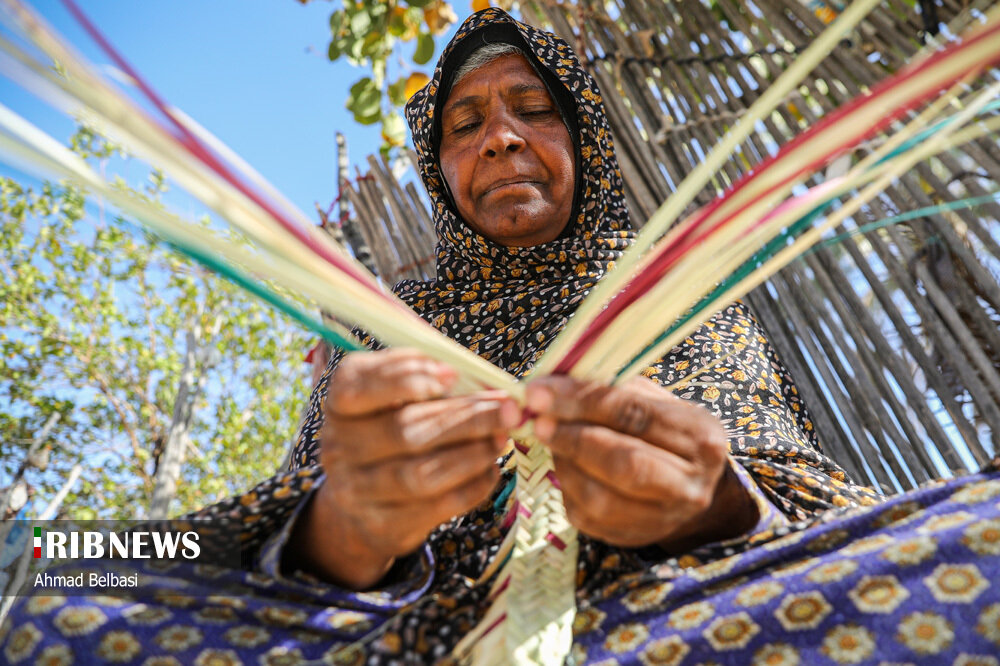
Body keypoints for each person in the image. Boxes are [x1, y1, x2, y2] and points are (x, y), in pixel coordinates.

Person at [4, 8, 1000, 665]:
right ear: (440, 170)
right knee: (71, 567)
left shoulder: (672, 292)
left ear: (584, 142)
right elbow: (291, 510)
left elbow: (792, 496)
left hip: (675, 613)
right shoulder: (384, 322)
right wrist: (348, 529)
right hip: (396, 629)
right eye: (466, 124)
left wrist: (712, 503)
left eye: (534, 110)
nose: (503, 137)